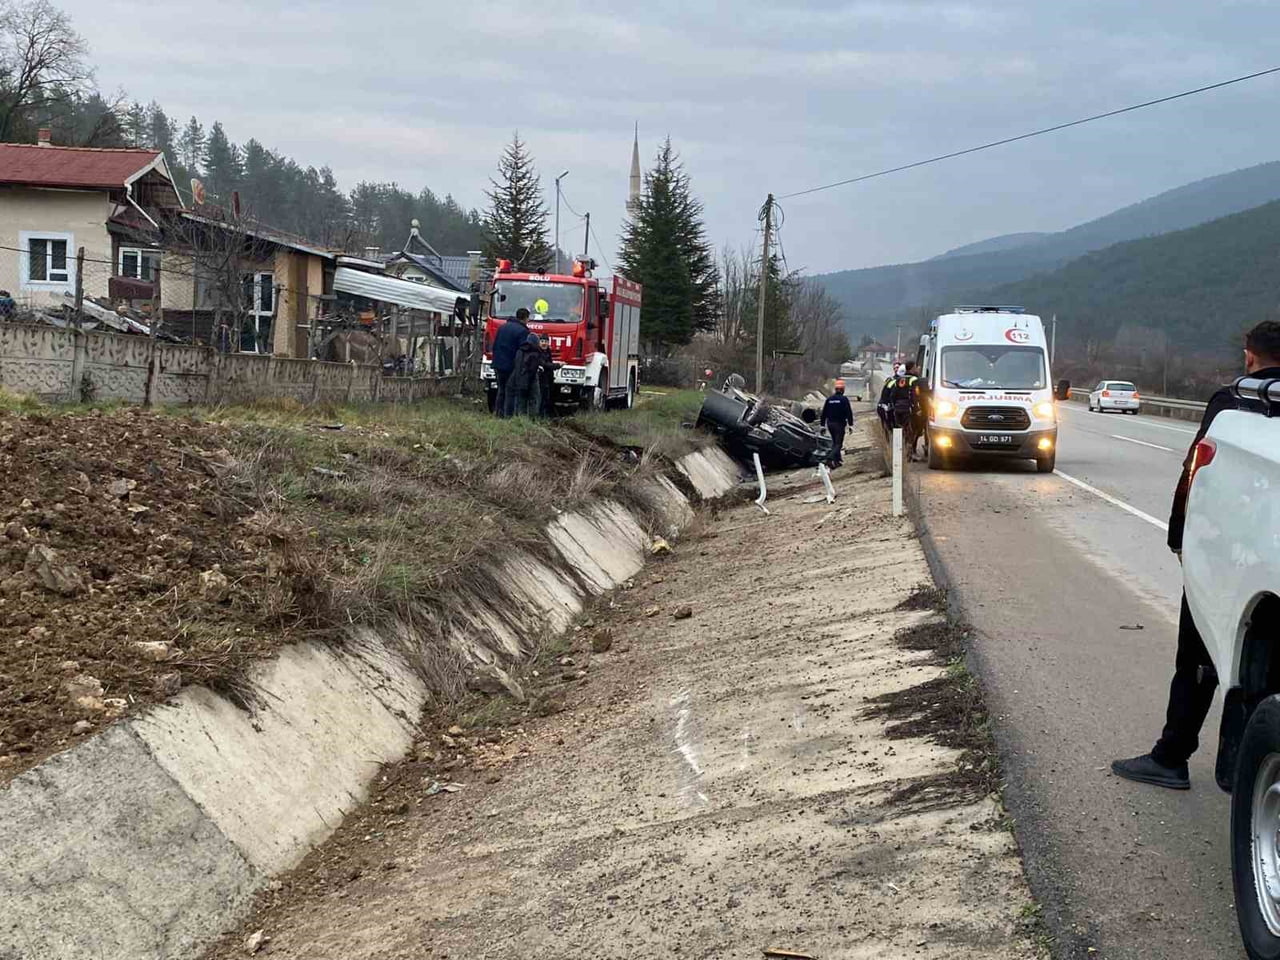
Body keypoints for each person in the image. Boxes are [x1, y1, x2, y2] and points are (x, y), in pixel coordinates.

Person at [1112, 320, 1280, 790]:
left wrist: (1180, 535)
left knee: (1198, 653)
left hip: (1230, 548)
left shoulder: (1235, 405)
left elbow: (1195, 474)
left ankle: (1171, 756)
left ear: (1249, 356)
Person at [491, 307, 533, 417]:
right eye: (528, 318)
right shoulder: (523, 331)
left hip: (498, 363)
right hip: (511, 365)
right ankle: (508, 415)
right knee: (511, 391)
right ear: (525, 318)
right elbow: (524, 349)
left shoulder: (502, 327)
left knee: (501, 389)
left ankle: (498, 413)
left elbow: (495, 344)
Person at [509, 333, 548, 417]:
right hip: (530, 380)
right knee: (534, 399)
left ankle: (519, 419)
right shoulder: (535, 353)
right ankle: (531, 420)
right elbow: (533, 369)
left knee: (520, 401)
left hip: (519, 379)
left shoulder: (520, 350)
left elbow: (516, 364)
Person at [888, 363, 920, 457]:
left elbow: (892, 395)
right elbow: (915, 395)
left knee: (899, 429)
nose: (916, 369)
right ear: (911, 369)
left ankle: (898, 452)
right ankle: (909, 454)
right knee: (909, 430)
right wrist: (916, 408)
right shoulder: (914, 379)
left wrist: (894, 406)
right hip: (907, 408)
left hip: (897, 409)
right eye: (915, 367)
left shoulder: (898, 380)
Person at [821, 379, 855, 467]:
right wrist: (850, 425)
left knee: (834, 442)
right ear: (843, 390)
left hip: (830, 424)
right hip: (839, 425)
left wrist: (822, 426)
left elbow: (824, 413)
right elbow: (849, 412)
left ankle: (837, 461)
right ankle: (829, 458)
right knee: (838, 444)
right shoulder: (844, 399)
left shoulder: (829, 399)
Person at [536, 334, 555, 418]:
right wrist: (557, 366)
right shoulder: (537, 353)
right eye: (542, 341)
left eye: (546, 341)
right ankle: (539, 416)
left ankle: (544, 416)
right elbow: (544, 364)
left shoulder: (548, 352)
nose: (544, 343)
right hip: (540, 379)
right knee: (540, 398)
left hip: (547, 379)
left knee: (546, 398)